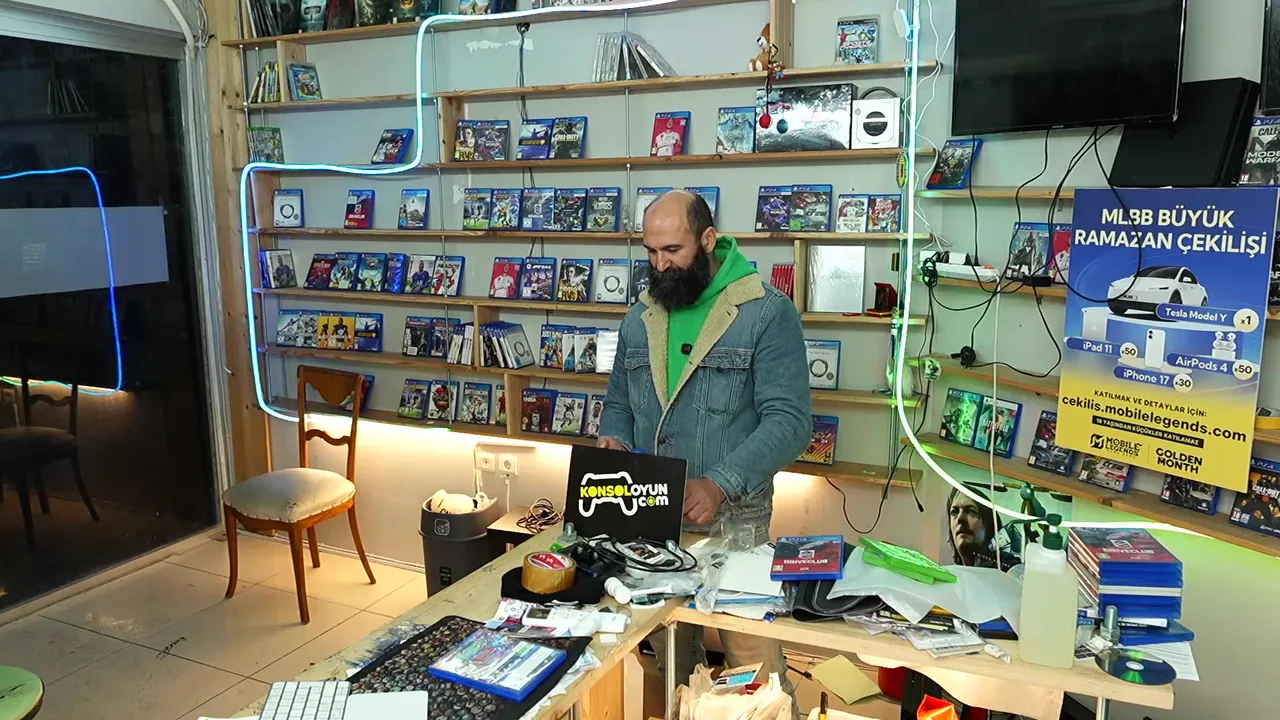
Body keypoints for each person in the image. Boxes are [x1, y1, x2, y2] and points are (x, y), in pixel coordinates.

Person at [598, 189, 810, 717]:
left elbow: (790, 423)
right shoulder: (641, 316)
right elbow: (619, 402)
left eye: (673, 250)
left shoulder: (766, 312)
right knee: (667, 653)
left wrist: (719, 483)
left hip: (735, 520)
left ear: (708, 239)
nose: (660, 265)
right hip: (650, 516)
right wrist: (613, 441)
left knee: (753, 664)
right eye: (651, 252)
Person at [946, 485, 1022, 569]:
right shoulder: (947, 574)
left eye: (971, 511)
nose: (960, 518)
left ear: (989, 523)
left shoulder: (1012, 570)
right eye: (954, 512)